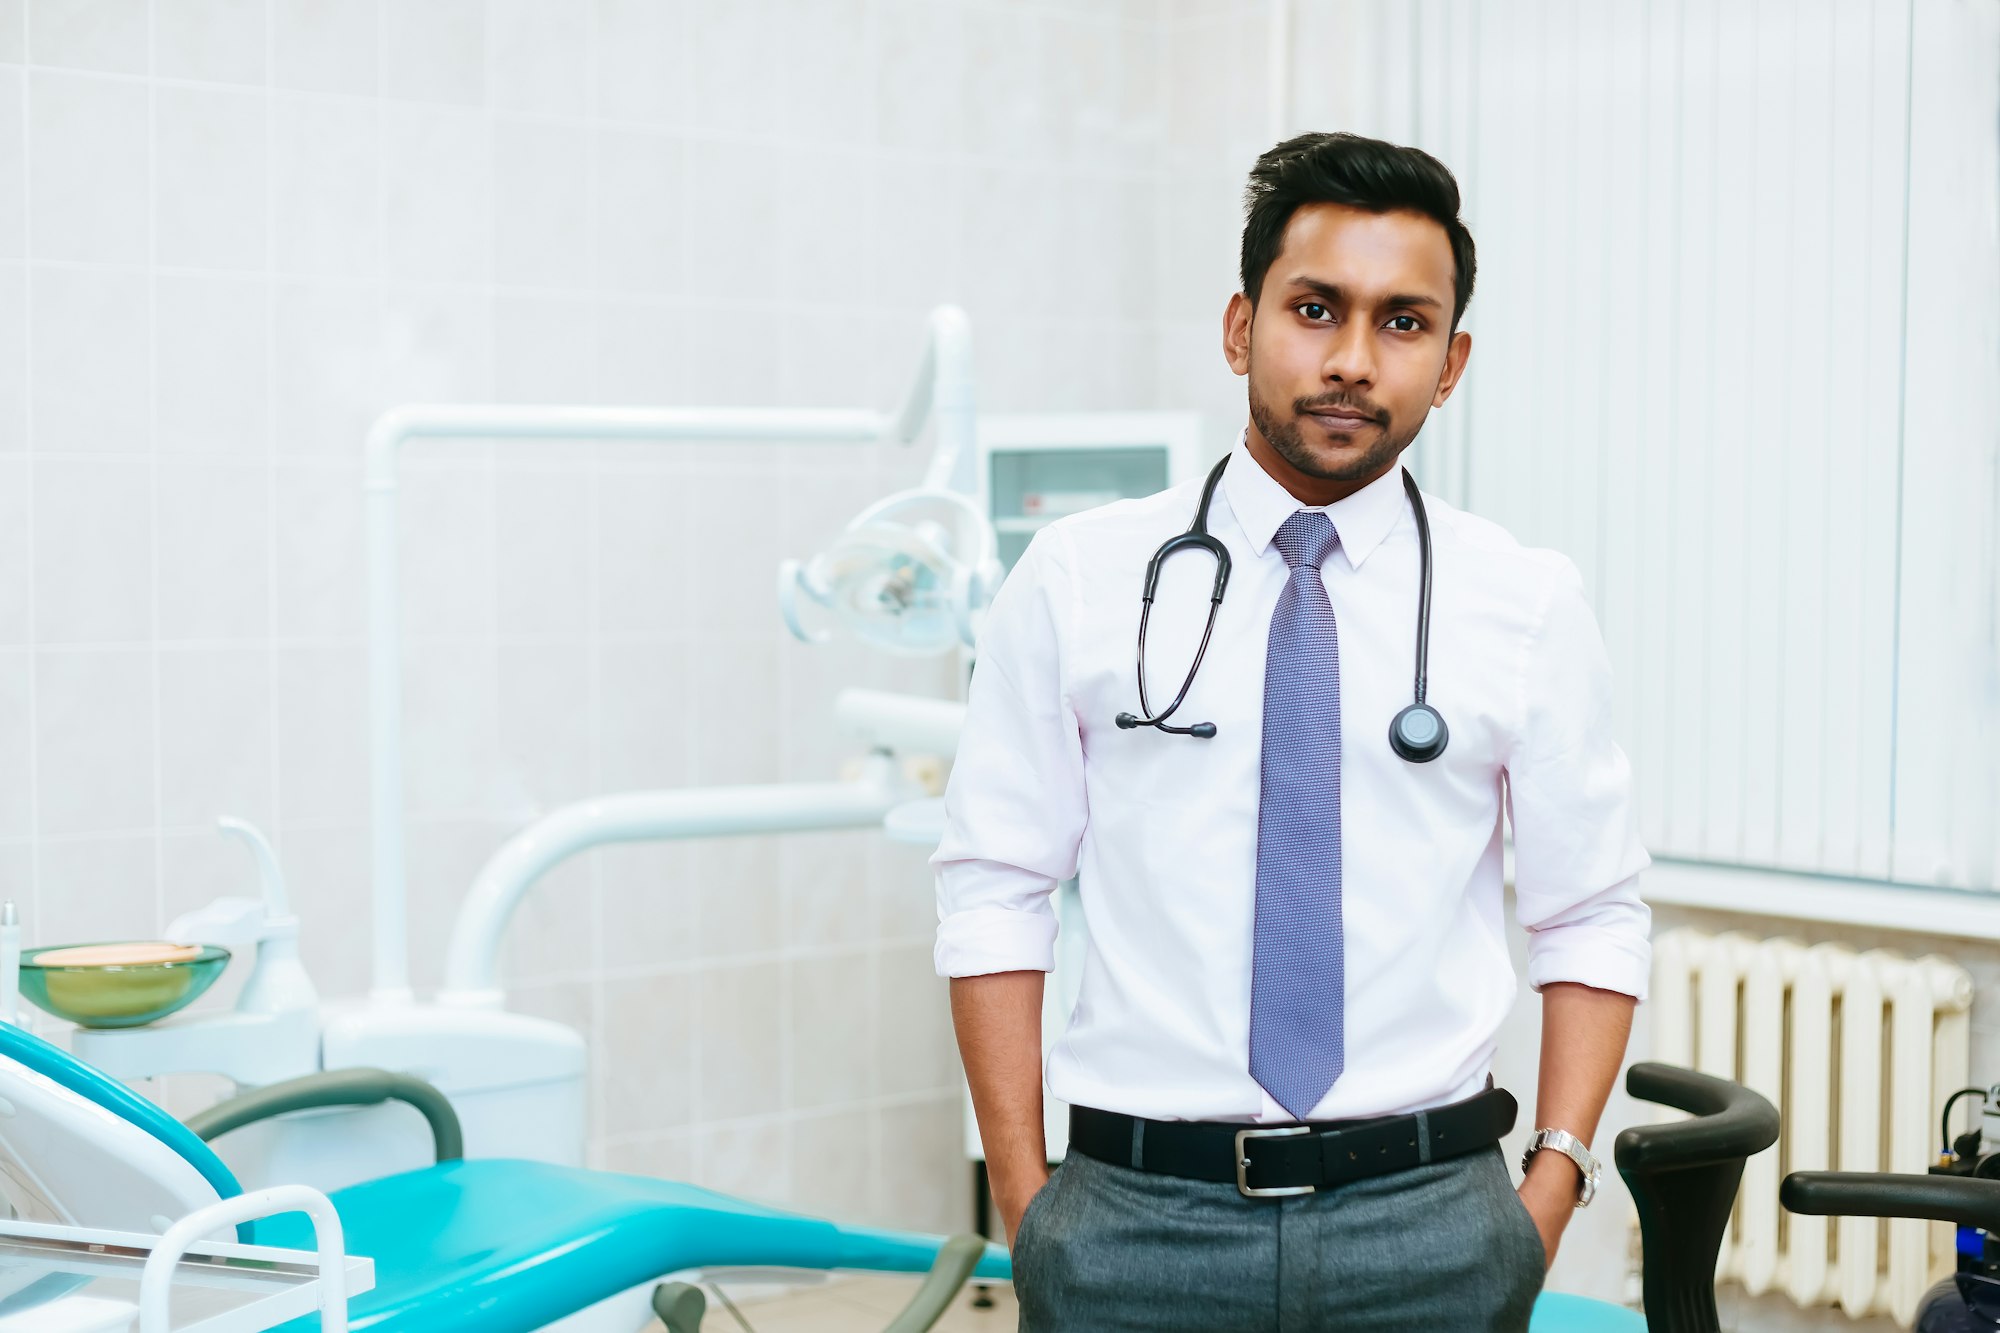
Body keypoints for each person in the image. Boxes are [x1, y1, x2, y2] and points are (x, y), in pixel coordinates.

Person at [930, 131, 1652, 1331]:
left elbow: (1589, 911)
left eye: (1402, 322)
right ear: (1237, 326)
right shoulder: (1076, 579)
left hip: (1429, 1223)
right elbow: (993, 885)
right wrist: (1025, 1197)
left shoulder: (1522, 604)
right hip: (1132, 1222)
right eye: (1314, 308)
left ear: (1451, 360)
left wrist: (1549, 1188)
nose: (1353, 360)